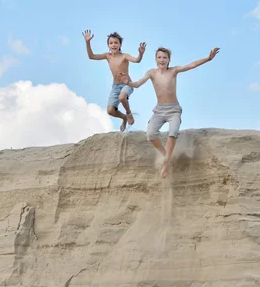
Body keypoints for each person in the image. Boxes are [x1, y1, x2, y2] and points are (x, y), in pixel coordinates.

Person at [120, 46, 220, 177]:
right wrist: (128, 83)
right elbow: (138, 84)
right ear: (156, 59)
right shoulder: (152, 73)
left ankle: (166, 162)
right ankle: (166, 155)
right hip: (159, 110)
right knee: (150, 134)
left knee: (173, 132)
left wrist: (208, 58)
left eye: (165, 58)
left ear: (169, 60)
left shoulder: (173, 71)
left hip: (174, 110)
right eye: (159, 57)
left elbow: (192, 65)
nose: (162, 60)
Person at [83, 29, 146, 132]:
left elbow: (137, 60)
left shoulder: (124, 56)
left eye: (116, 43)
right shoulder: (107, 56)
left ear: (120, 44)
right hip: (115, 86)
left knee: (122, 97)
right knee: (110, 110)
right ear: (108, 45)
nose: (113, 45)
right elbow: (91, 56)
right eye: (111, 43)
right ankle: (124, 118)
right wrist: (88, 42)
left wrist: (141, 54)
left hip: (127, 83)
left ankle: (129, 114)